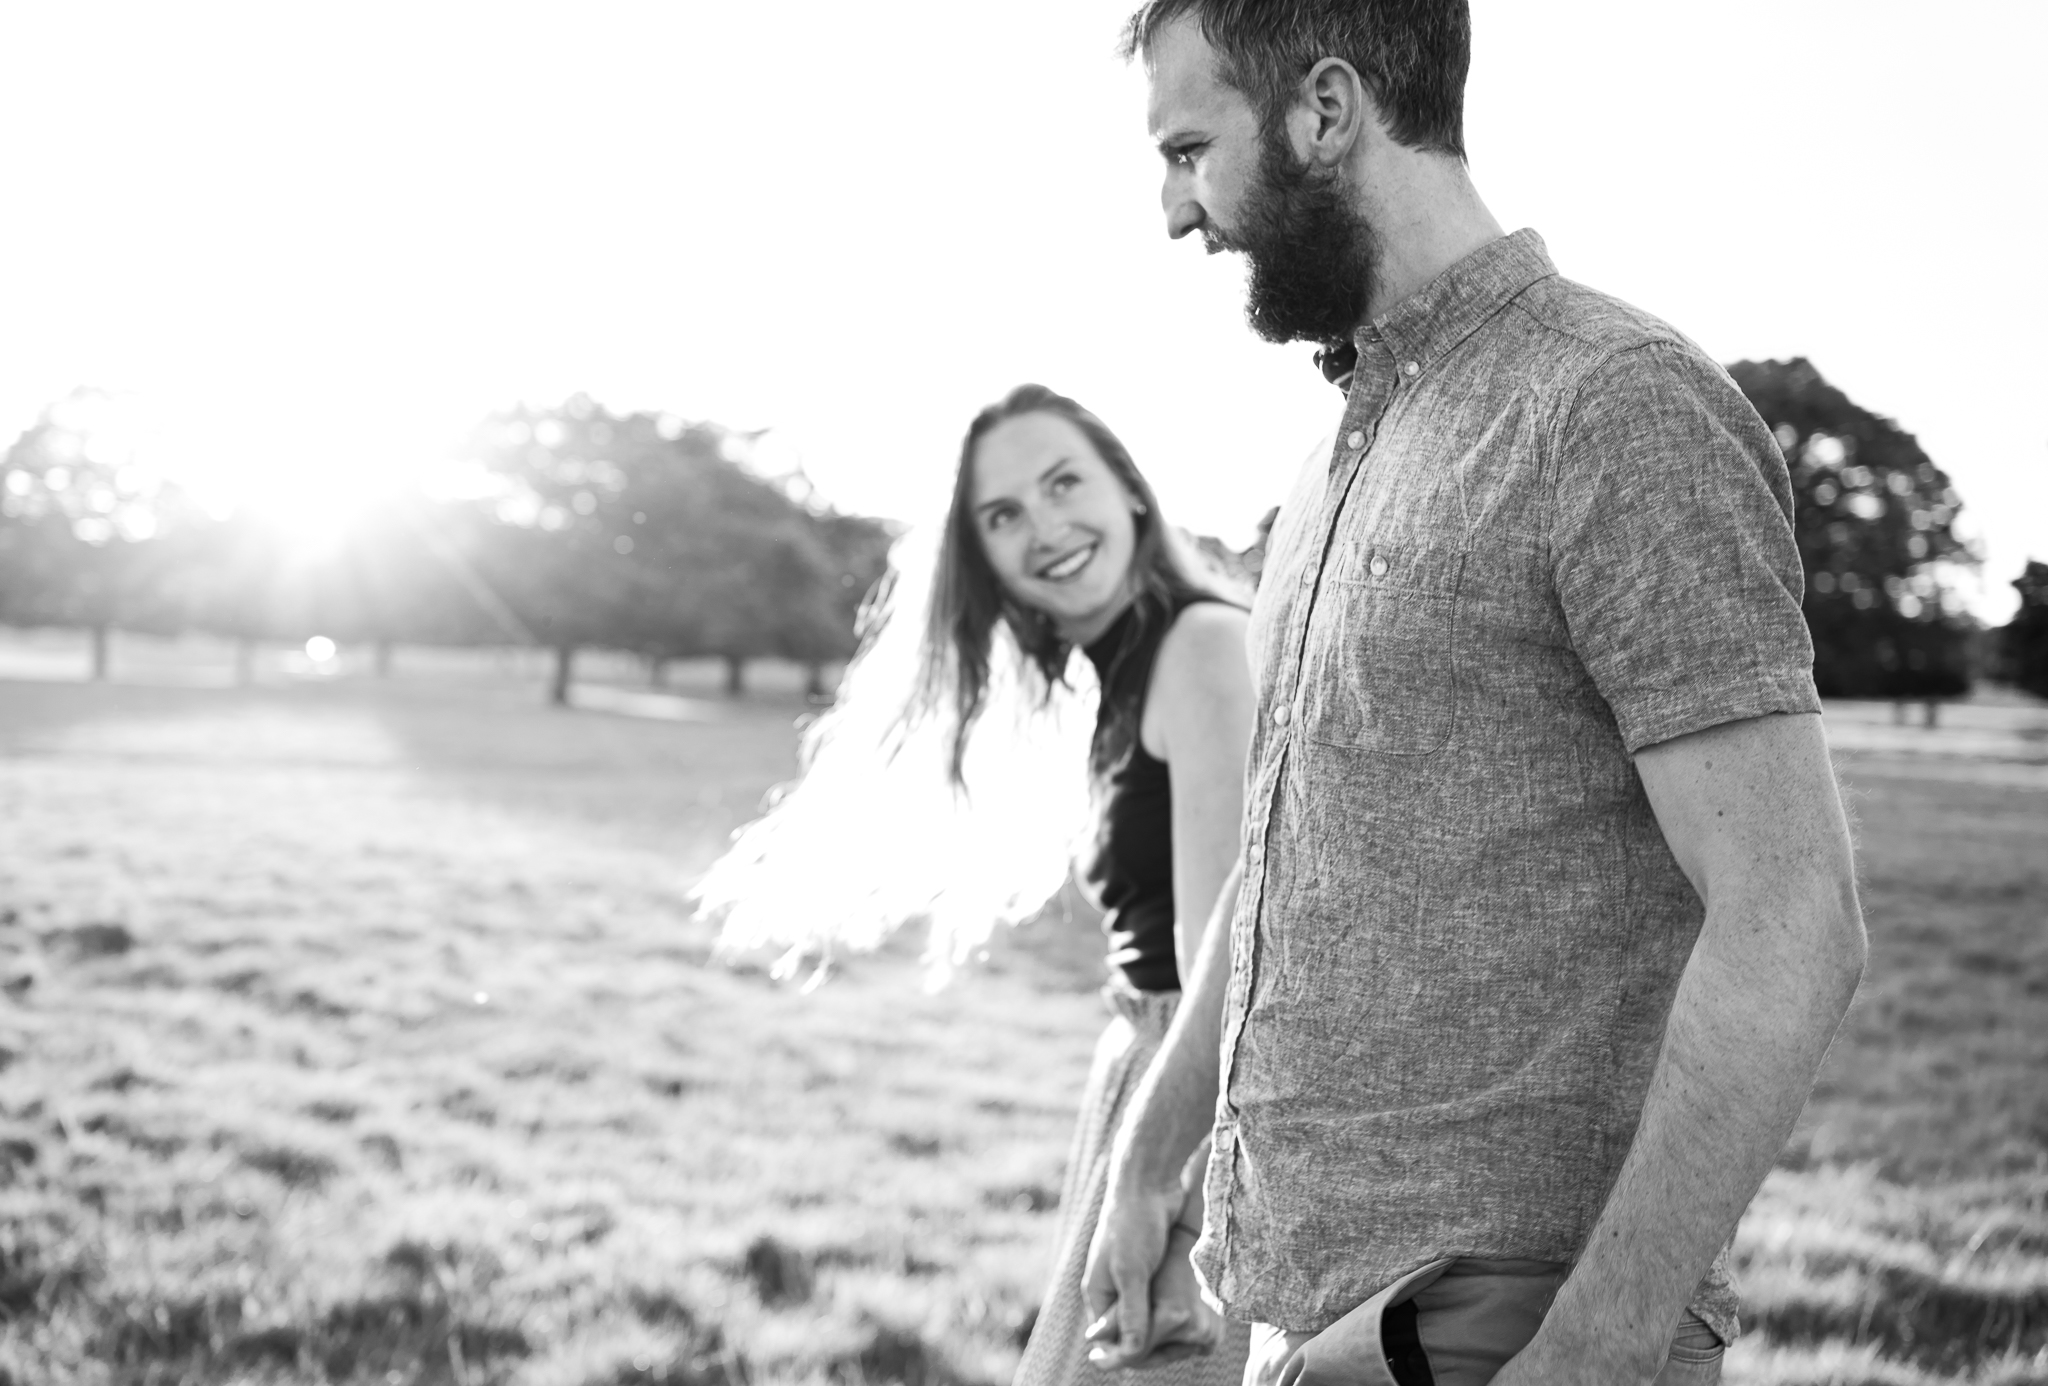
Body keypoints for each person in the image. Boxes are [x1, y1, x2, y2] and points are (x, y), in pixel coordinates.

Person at [1080, 5, 1868, 1386]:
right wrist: (1153, 1154)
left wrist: (1592, 1351)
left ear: (1325, 111)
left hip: (1507, 1334)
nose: (1174, 211)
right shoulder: (1329, 462)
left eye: (1189, 150)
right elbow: (1282, 861)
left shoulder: (1612, 404)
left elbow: (1791, 920)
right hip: (1301, 1317)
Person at [699, 384, 1257, 1384]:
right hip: (1147, 1085)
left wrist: (1170, 1207)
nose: (1044, 527)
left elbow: (1227, 967)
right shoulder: (1123, 665)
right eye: (1003, 515)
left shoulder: (1200, 646)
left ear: (1129, 489)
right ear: (983, 557)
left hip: (1193, 1110)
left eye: (1063, 483)